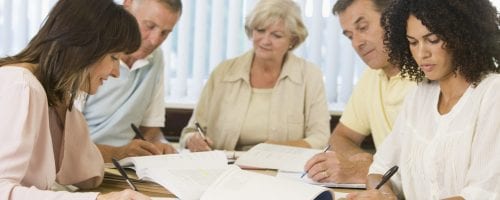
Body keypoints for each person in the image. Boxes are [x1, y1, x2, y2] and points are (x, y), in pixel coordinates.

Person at [348, 0, 500, 199]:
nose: (421, 54)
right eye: (413, 42)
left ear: (462, 35)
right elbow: (380, 169)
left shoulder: (492, 93)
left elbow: (481, 192)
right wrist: (384, 195)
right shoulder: (419, 96)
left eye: (433, 39)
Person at [0, 0, 150, 199]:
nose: (116, 73)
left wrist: (65, 112)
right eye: (114, 57)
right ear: (84, 47)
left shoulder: (51, 94)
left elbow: (87, 175)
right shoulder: (21, 86)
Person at [179, 0, 330, 152]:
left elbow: (320, 138)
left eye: (276, 35)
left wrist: (278, 149)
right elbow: (190, 131)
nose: (265, 41)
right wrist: (193, 140)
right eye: (260, 30)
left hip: (281, 168)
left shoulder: (310, 76)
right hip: (225, 167)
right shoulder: (223, 72)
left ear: (292, 40)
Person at [304, 0, 415, 184]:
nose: (356, 43)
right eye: (349, 36)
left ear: (396, 19)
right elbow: (340, 137)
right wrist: (365, 162)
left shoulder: (431, 75)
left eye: (363, 27)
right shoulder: (372, 75)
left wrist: (371, 169)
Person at [79, 0, 182, 162]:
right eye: (149, 26)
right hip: (83, 165)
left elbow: (150, 129)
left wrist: (157, 146)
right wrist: (120, 152)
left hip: (124, 165)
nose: (155, 40)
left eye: (165, 33)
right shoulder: (88, 51)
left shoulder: (156, 59)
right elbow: (65, 145)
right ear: (128, 5)